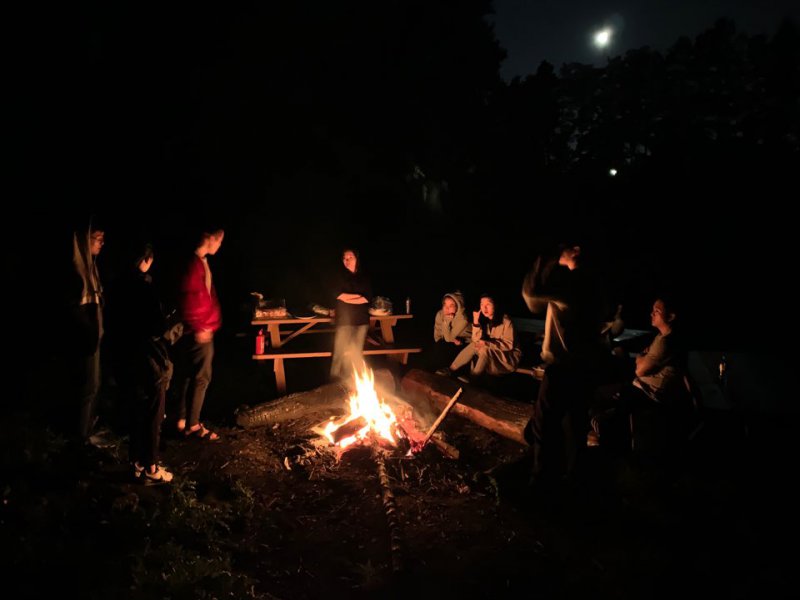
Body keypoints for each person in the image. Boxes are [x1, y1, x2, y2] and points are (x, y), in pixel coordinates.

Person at [521, 243, 610, 483]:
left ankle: (542, 480)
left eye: (567, 247)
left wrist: (545, 260)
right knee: (574, 426)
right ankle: (573, 480)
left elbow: (531, 296)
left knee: (544, 425)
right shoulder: (593, 284)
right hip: (584, 366)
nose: (562, 249)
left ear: (577, 251)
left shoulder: (577, 283)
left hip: (565, 367)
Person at [105, 242, 174, 483]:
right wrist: (169, 323)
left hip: (123, 357)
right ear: (145, 260)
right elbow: (156, 326)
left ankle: (136, 461)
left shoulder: (115, 285)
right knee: (154, 410)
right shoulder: (144, 288)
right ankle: (151, 467)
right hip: (147, 357)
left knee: (136, 408)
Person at [589, 296, 691, 453]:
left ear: (670, 316)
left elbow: (640, 370)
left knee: (599, 398)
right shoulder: (663, 336)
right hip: (646, 387)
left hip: (649, 393)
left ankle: (606, 439)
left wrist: (640, 357)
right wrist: (642, 358)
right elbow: (644, 360)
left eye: (657, 311)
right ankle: (606, 433)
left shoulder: (665, 342)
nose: (652, 314)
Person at [174, 227, 224, 441]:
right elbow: (191, 297)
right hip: (199, 330)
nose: (220, 245)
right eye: (219, 240)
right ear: (210, 238)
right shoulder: (193, 264)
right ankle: (193, 425)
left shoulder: (198, 261)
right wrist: (201, 326)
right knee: (201, 377)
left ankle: (181, 420)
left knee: (188, 374)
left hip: (196, 328)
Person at [65, 219, 106, 444]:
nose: (101, 243)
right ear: (83, 240)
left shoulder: (91, 268)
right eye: (97, 238)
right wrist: (88, 331)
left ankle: (87, 430)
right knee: (87, 386)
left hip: (94, 337)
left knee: (94, 384)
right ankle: (80, 438)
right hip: (85, 339)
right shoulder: (76, 271)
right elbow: (74, 308)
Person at [438, 293, 521, 382]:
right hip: (492, 352)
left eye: (488, 304)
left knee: (485, 349)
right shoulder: (486, 320)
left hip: (507, 357)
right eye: (482, 304)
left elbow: (509, 345)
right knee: (474, 344)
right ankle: (450, 370)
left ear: (495, 305)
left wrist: (486, 343)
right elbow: (475, 339)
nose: (484, 308)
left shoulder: (506, 321)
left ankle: (473, 379)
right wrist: (476, 321)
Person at [330, 248, 372, 381]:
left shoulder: (364, 277)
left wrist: (348, 298)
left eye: (350, 258)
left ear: (356, 259)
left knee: (356, 353)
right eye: (345, 258)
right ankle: (333, 381)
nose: (347, 260)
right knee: (338, 353)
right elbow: (339, 295)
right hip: (344, 320)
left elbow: (367, 298)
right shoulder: (339, 276)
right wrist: (358, 297)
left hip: (361, 320)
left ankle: (353, 381)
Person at [425, 291, 471, 370]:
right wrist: (450, 340)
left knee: (450, 347)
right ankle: (433, 371)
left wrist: (446, 322)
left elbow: (449, 338)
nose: (447, 308)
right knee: (438, 347)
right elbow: (437, 336)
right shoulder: (440, 314)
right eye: (445, 305)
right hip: (449, 340)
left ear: (458, 306)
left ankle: (450, 371)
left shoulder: (463, 319)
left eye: (451, 305)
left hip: (465, 342)